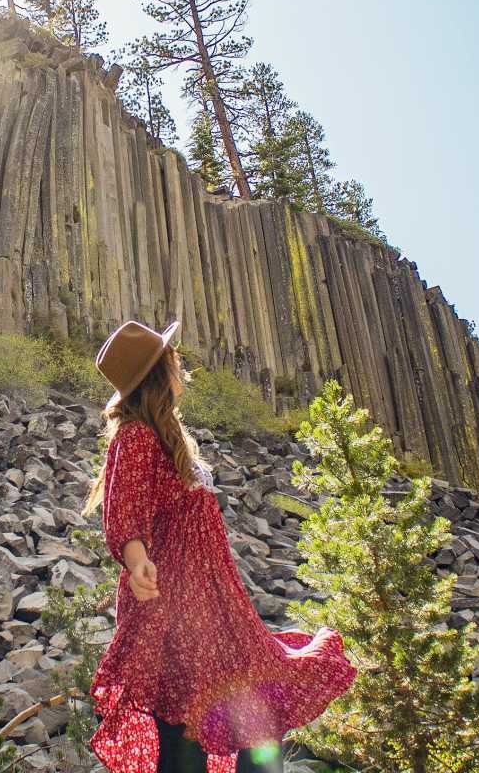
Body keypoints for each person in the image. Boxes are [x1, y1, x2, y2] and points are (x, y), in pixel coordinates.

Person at [82, 319, 357, 773]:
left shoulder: (168, 436)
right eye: (173, 360)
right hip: (173, 601)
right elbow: (124, 508)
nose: (182, 367)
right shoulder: (136, 435)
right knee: (188, 724)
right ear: (157, 373)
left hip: (213, 599)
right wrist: (137, 563)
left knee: (243, 707)